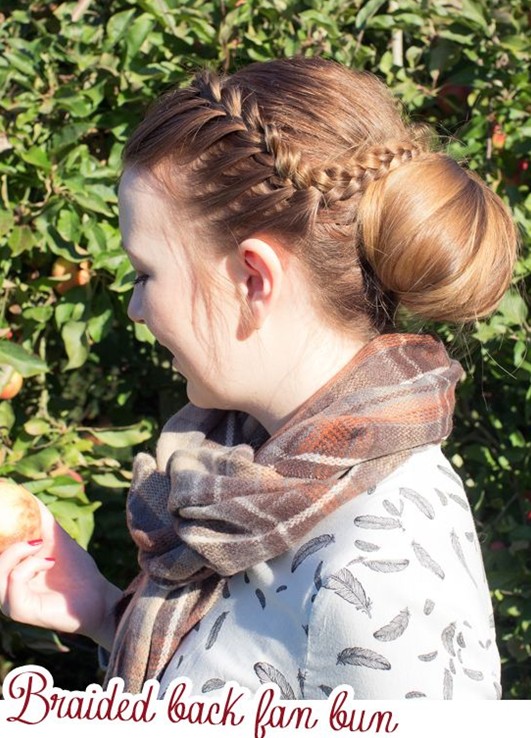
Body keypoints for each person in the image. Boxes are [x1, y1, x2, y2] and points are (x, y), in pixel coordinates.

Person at [0, 57, 518, 700]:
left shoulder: (386, 571)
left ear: (253, 279)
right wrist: (105, 612)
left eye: (145, 273)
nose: (135, 308)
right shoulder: (252, 475)